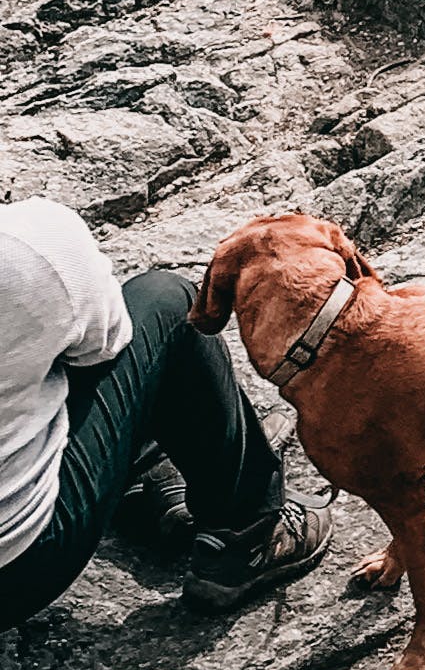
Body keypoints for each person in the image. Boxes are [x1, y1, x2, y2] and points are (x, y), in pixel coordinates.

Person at [0, 192, 326, 633]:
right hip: (20, 570)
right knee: (165, 302)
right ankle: (247, 531)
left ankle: (152, 476)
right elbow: (104, 349)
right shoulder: (28, 245)